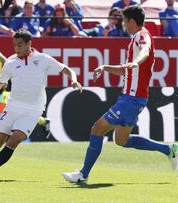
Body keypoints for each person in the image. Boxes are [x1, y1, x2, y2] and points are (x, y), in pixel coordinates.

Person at [62, 5, 178, 184]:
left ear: (131, 21)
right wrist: (106, 68)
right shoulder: (135, 40)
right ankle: (169, 150)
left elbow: (146, 51)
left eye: (124, 20)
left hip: (131, 98)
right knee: (121, 140)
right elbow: (126, 71)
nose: (123, 24)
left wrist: (137, 62)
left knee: (97, 128)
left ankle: (83, 174)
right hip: (133, 97)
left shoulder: (142, 36)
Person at [0, 29, 82, 176]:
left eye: (20, 45)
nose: (16, 48)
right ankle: (13, 131)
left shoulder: (43, 59)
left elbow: (66, 69)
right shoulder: (10, 62)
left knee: (13, 141)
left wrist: (74, 80)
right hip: (13, 107)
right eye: (14, 45)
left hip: (33, 110)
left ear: (29, 43)